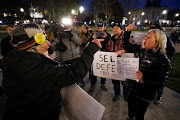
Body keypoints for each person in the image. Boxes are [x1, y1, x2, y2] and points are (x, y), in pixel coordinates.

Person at [1, 23, 103, 120]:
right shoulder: (36, 71)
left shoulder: (11, 60)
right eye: (42, 40)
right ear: (30, 47)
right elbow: (75, 72)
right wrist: (90, 49)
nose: (48, 43)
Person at [120, 23, 171, 120]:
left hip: (144, 95)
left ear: (157, 42)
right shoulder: (141, 49)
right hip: (132, 89)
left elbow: (160, 83)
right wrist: (126, 31)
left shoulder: (163, 60)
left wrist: (143, 79)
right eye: (145, 37)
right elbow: (126, 46)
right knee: (130, 110)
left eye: (149, 37)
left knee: (139, 115)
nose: (145, 39)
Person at [150, 23, 175, 105]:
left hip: (161, 65)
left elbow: (172, 50)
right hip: (152, 63)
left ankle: (158, 97)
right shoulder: (151, 39)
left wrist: (165, 59)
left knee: (160, 81)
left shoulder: (166, 39)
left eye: (155, 30)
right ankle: (152, 96)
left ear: (159, 30)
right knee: (151, 80)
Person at [105, 23, 127, 102]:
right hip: (113, 65)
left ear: (121, 29)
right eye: (113, 28)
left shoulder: (126, 39)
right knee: (115, 81)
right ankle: (117, 94)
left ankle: (126, 95)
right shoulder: (110, 40)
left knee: (125, 82)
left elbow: (133, 49)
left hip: (123, 64)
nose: (114, 29)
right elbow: (107, 50)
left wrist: (125, 51)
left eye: (117, 28)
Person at [88, 22, 111, 92]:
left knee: (103, 70)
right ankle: (93, 84)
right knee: (94, 70)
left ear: (104, 28)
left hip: (104, 55)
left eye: (101, 28)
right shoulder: (94, 35)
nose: (100, 29)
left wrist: (106, 37)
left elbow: (110, 42)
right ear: (96, 28)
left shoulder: (107, 35)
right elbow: (89, 43)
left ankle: (103, 83)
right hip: (96, 55)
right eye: (98, 28)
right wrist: (92, 38)